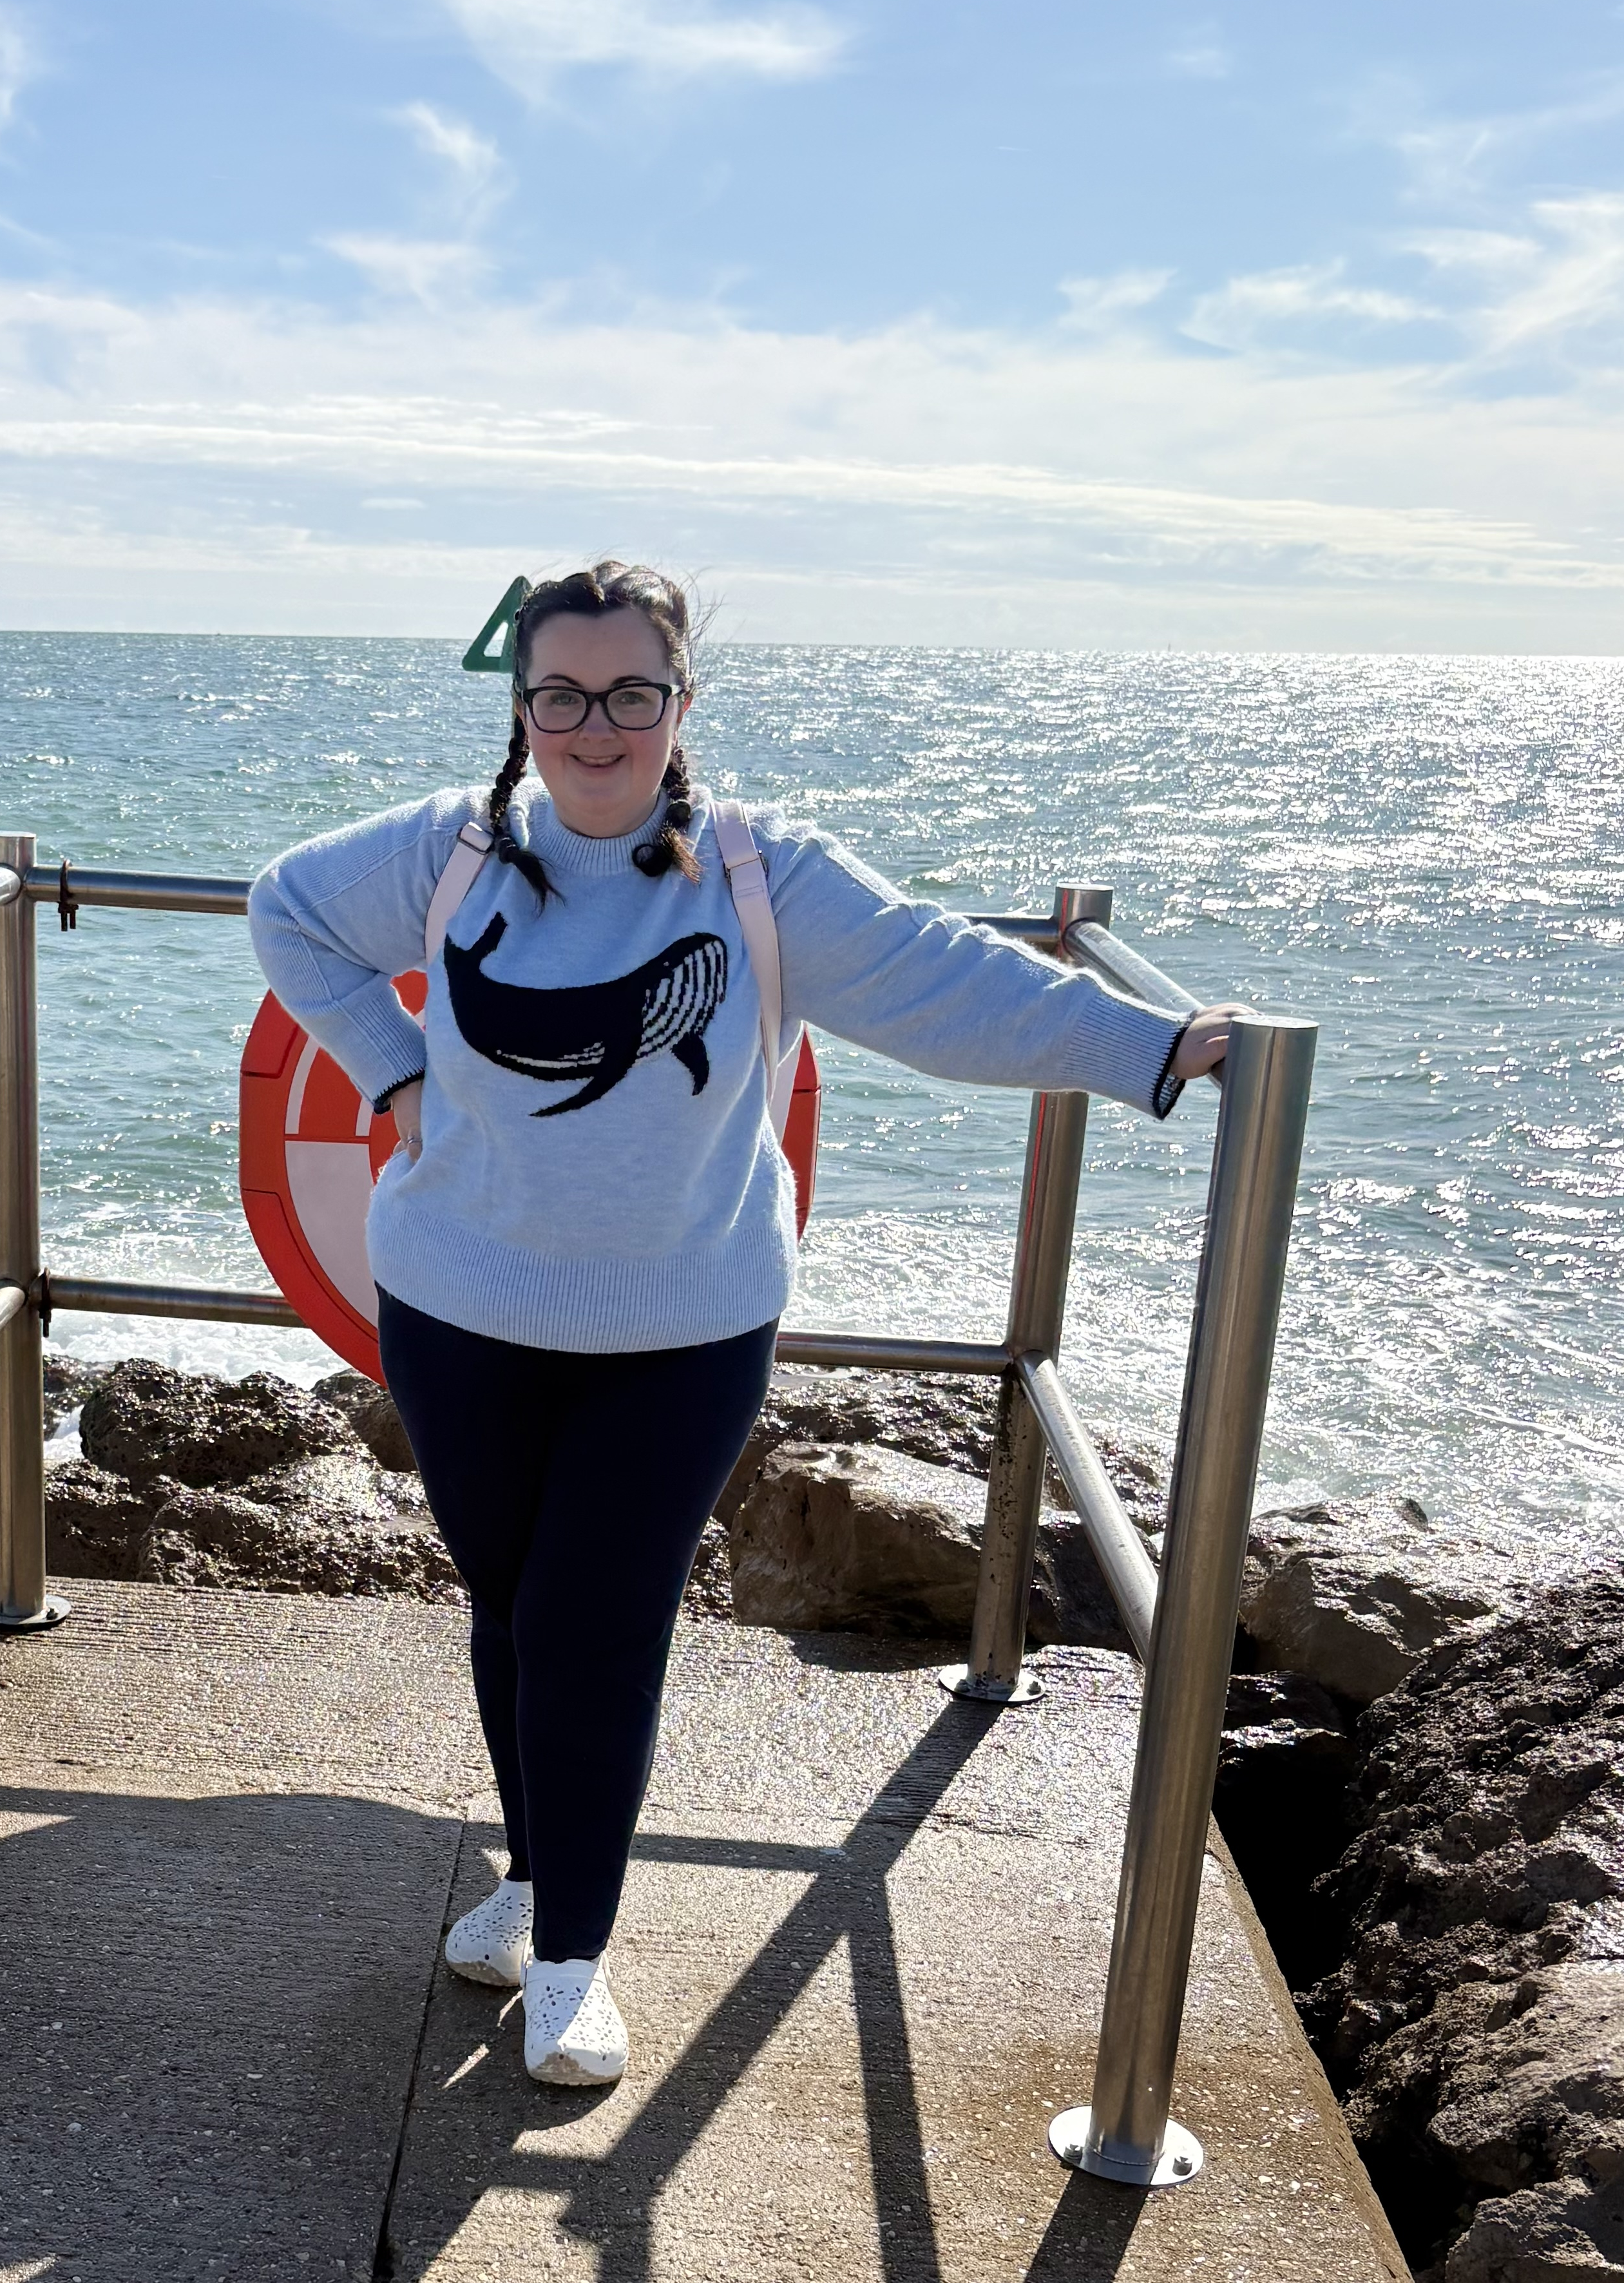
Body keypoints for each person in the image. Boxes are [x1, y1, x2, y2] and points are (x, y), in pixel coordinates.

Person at [248, 561, 1241, 2088]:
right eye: (563, 692)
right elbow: (287, 908)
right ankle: (531, 1874)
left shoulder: (760, 875)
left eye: (630, 692)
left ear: (680, 703)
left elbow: (942, 981)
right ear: (522, 706)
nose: (596, 723)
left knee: (597, 1621)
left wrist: (1155, 1047)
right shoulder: (452, 851)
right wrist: (391, 1071)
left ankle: (573, 1950)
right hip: (458, 1306)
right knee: (512, 1607)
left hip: (683, 1329)